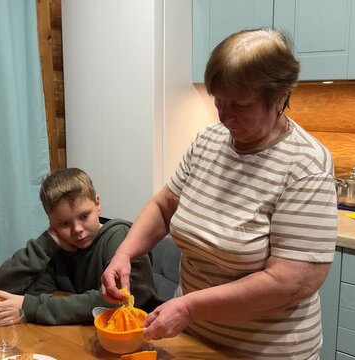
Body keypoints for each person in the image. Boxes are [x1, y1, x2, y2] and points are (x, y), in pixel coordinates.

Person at [101, 28, 337, 359]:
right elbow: (164, 206)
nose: (225, 117)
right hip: (194, 338)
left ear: (280, 97)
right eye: (218, 102)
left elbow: (291, 282)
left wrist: (189, 307)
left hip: (264, 350)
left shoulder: (306, 165)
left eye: (239, 104)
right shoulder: (207, 142)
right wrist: (124, 254)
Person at [0, 168, 161, 325]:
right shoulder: (58, 245)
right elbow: (3, 290)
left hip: (144, 333)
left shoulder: (120, 237)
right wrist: (45, 244)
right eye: (64, 224)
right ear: (51, 222)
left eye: (84, 216)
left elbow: (117, 301)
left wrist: (30, 307)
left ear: (97, 204)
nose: (77, 230)